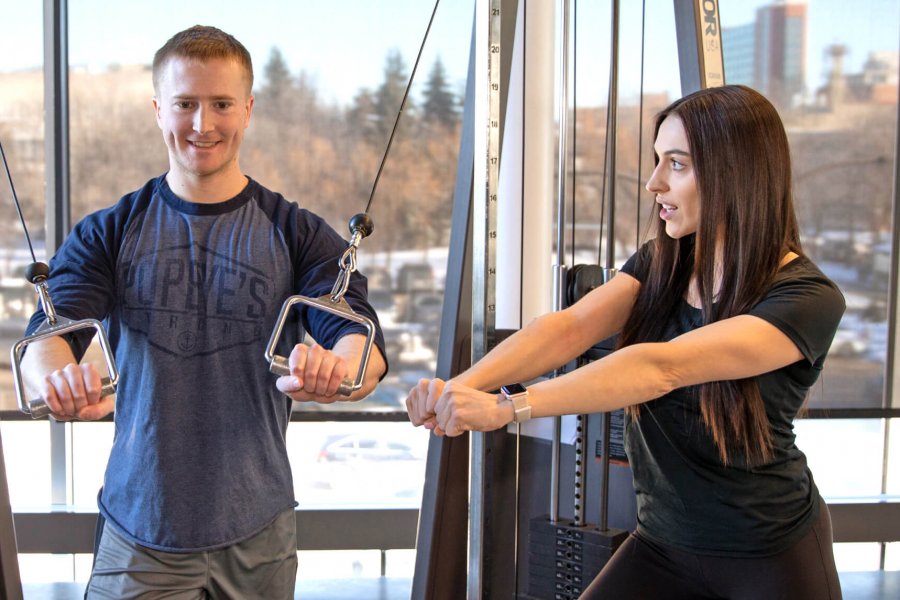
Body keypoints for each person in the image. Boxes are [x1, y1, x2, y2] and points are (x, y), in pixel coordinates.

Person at [406, 85, 845, 599]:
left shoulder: (806, 299)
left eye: (676, 165)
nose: (653, 182)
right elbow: (567, 329)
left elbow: (661, 367)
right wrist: (455, 388)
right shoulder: (662, 265)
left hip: (769, 555)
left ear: (736, 174)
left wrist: (506, 408)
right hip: (663, 545)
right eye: (658, 160)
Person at [21, 25, 387, 599]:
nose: (203, 124)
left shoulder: (296, 232)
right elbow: (47, 336)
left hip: (259, 531)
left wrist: (340, 372)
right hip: (140, 529)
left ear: (248, 109)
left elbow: (361, 341)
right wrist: (55, 378)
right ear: (158, 109)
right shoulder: (109, 231)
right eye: (185, 104)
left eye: (220, 104)